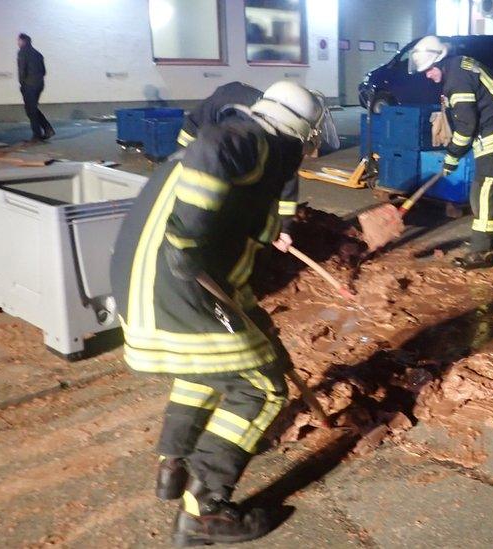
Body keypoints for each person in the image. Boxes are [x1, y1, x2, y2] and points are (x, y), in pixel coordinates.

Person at [109, 80, 337, 546]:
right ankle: (205, 511)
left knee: (210, 370)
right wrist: (186, 244)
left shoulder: (255, 152)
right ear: (301, 130)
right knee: (262, 389)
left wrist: (258, 324)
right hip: (172, 289)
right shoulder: (250, 140)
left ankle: (172, 466)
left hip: (146, 286)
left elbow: (232, 258)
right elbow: (213, 148)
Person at [410, 35, 493, 269]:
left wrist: (452, 157)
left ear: (440, 61)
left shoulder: (457, 81)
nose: (428, 75)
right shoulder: (458, 66)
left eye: (430, 70)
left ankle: (482, 251)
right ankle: (488, 243)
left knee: (484, 192)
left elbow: (466, 127)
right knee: (481, 192)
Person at [175, 82, 300, 253]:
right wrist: (182, 165)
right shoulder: (238, 125)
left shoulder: (288, 137)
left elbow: (287, 181)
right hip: (207, 149)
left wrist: (284, 228)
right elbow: (199, 142)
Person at [17, 33, 54, 142]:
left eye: (19, 41)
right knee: (32, 108)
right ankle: (47, 129)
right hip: (39, 84)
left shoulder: (22, 52)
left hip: (29, 85)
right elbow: (44, 71)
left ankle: (37, 135)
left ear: (23, 41)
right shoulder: (38, 54)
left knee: (30, 110)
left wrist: (22, 84)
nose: (17, 43)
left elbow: (22, 70)